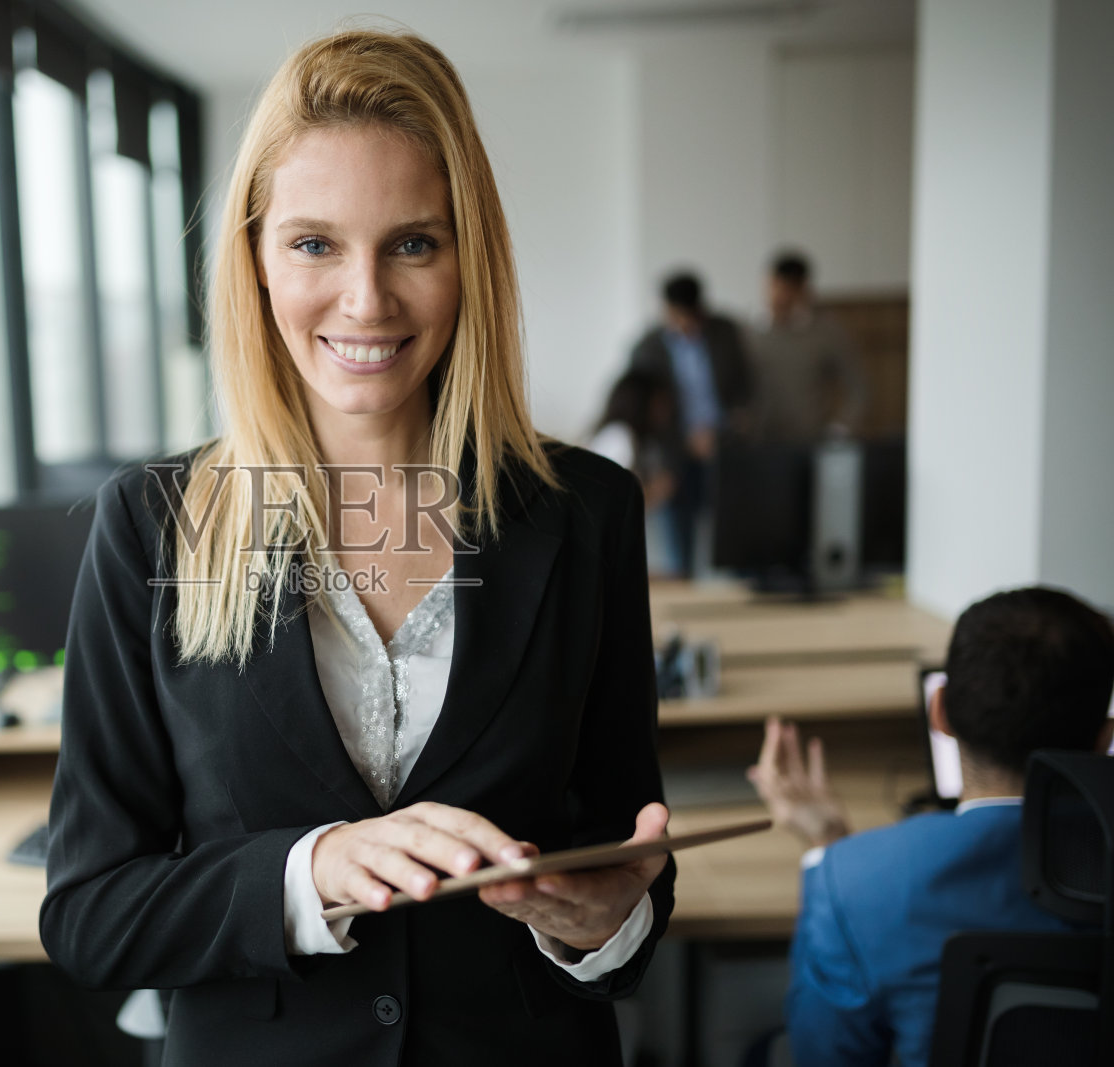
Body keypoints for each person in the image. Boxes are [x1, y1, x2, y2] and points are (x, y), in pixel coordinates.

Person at [40, 28, 675, 1067]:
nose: (367, 298)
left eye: (413, 244)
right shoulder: (152, 524)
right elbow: (90, 913)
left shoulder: (586, 511)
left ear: (469, 259)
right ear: (255, 258)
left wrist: (602, 925)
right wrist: (314, 869)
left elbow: (627, 851)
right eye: (314, 244)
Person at [748, 586, 1114, 1067]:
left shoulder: (856, 885)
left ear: (938, 710)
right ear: (1105, 738)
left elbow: (824, 1055)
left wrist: (828, 849)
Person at [627, 271, 752, 576]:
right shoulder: (648, 347)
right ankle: (683, 583)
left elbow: (745, 387)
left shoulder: (725, 333)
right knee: (679, 545)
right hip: (674, 454)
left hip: (724, 446)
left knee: (734, 535)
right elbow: (643, 408)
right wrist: (685, 440)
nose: (682, 323)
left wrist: (726, 429)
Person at [747, 250, 867, 443]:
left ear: (802, 290)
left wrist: (842, 429)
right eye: (773, 287)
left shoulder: (827, 332)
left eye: (786, 289)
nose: (778, 296)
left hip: (811, 440)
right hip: (762, 441)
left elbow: (858, 386)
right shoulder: (749, 333)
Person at [588, 368, 676, 511]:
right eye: (660, 402)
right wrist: (655, 490)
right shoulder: (617, 437)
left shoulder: (649, 444)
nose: (666, 410)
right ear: (641, 403)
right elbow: (610, 500)